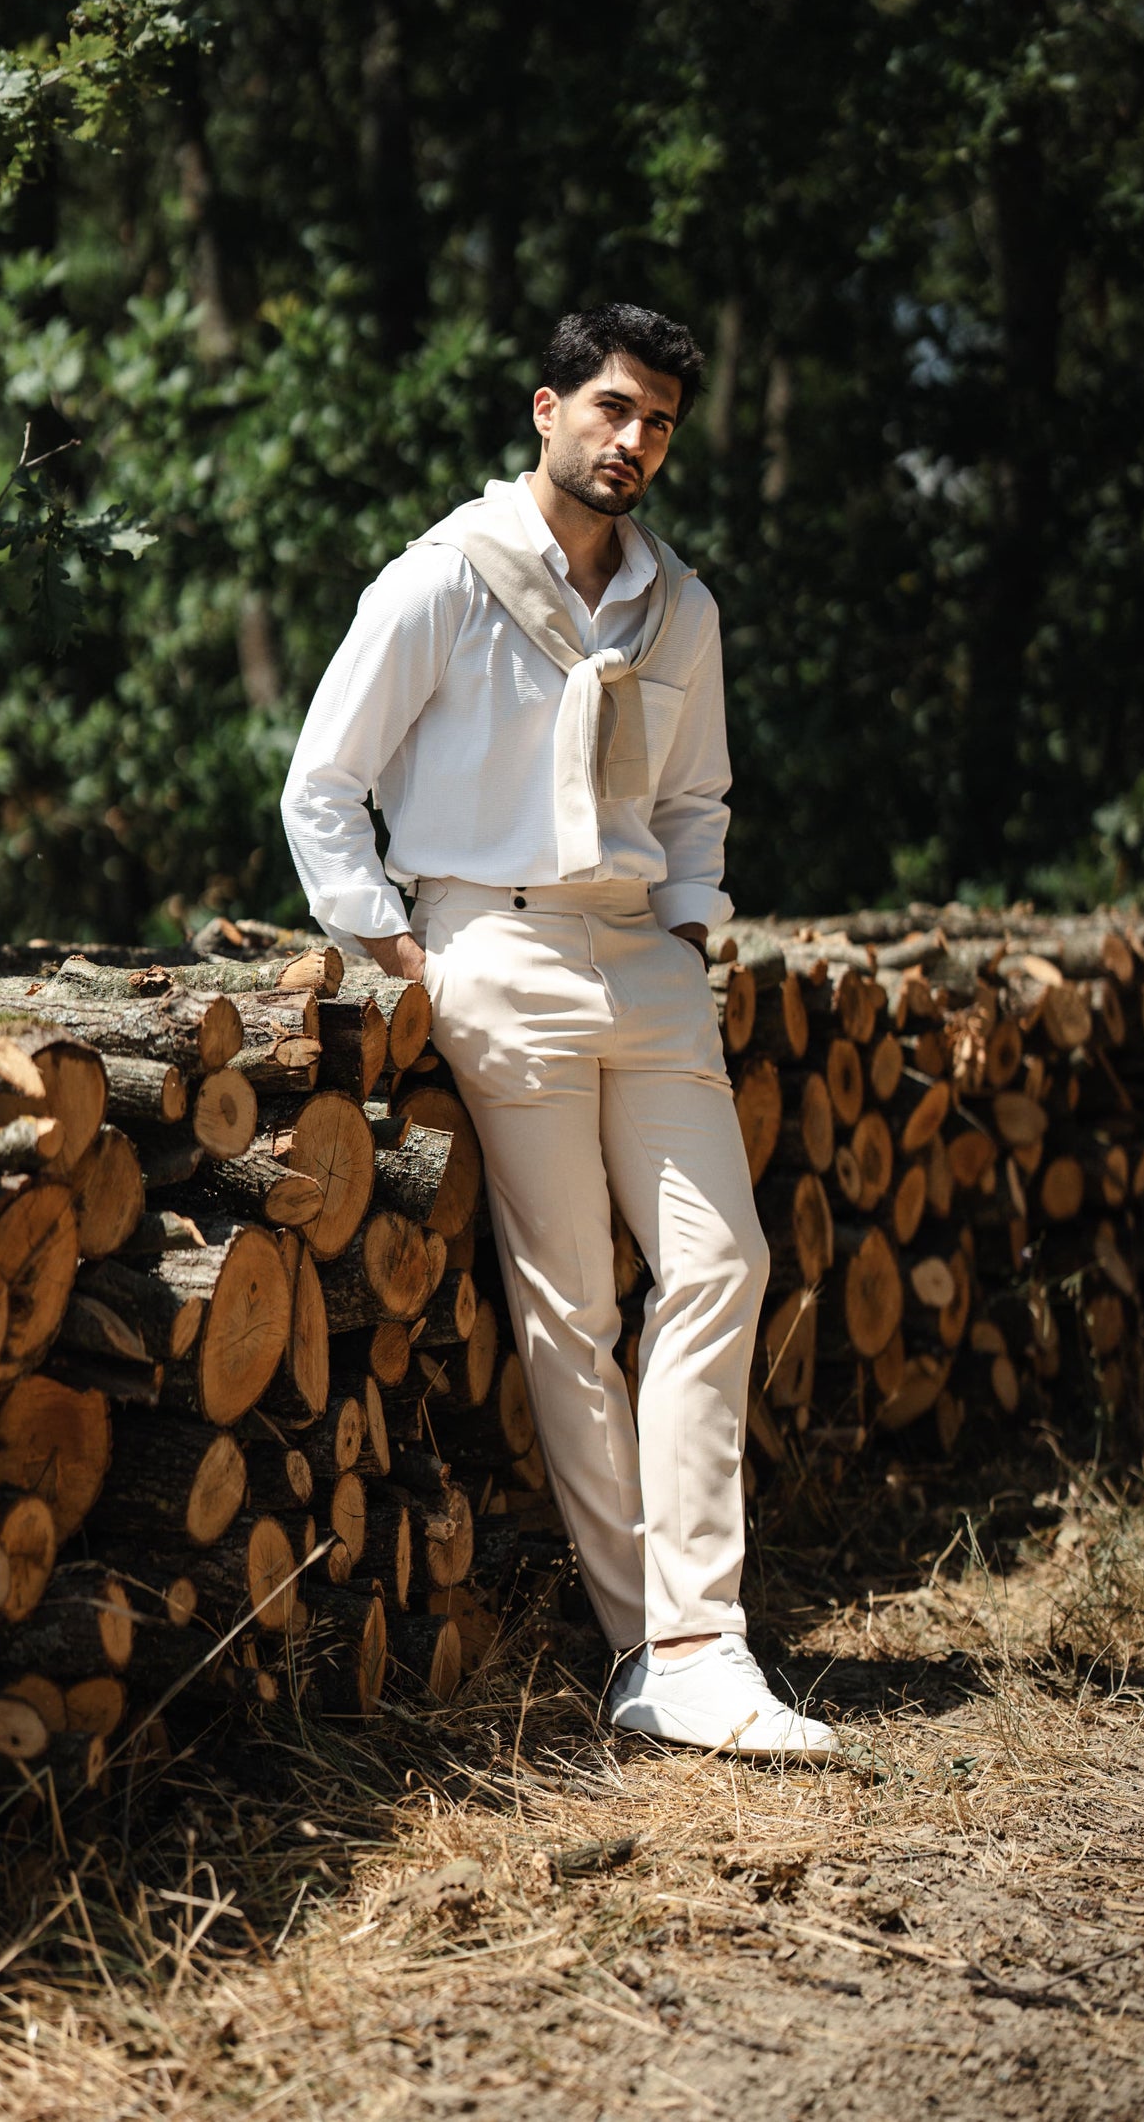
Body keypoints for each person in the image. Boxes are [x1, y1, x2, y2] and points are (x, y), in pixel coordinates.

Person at [281, 303, 835, 1758]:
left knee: (725, 1261)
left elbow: (698, 800)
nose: (632, 440)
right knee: (571, 1307)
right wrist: (404, 945)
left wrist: (690, 929)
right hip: (493, 944)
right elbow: (322, 783)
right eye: (608, 408)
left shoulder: (683, 609)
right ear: (545, 409)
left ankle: (705, 1640)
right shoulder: (441, 583)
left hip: (643, 961)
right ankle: (657, 1651)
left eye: (655, 419)